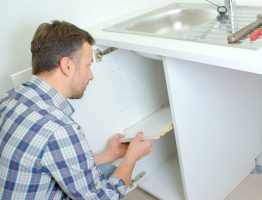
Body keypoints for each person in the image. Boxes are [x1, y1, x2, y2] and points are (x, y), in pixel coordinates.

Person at [0, 20, 153, 199]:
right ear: (67, 66)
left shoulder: (8, 99)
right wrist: (131, 158)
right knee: (111, 178)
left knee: (106, 168)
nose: (91, 75)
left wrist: (110, 154)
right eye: (88, 65)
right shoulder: (59, 129)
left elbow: (58, 162)